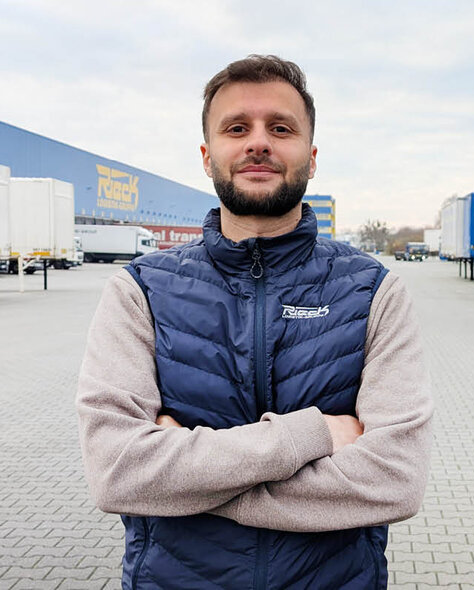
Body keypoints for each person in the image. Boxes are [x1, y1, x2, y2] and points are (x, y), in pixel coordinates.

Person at [76, 54, 433, 590]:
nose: (258, 142)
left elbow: (395, 480)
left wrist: (187, 480)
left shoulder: (374, 291)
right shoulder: (140, 292)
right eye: (237, 128)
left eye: (281, 128)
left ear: (311, 158)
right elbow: (117, 473)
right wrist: (311, 435)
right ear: (207, 155)